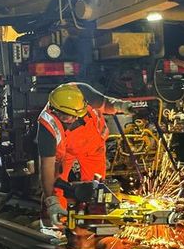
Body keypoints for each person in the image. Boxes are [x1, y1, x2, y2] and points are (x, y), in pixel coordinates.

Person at [38, 82, 132, 226]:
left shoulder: (82, 93)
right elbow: (47, 168)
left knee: (97, 190)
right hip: (65, 153)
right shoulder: (47, 127)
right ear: (56, 111)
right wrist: (52, 202)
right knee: (56, 189)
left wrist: (122, 106)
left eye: (79, 115)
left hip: (93, 149)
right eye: (70, 117)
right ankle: (51, 225)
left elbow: (105, 103)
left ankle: (93, 227)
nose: (76, 120)